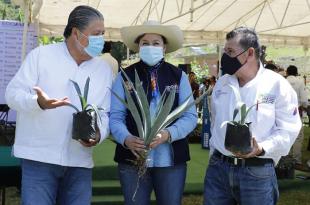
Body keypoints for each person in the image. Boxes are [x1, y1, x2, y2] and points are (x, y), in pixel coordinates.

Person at [5, 5, 112, 205]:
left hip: (80, 161)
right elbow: (12, 94)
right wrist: (37, 102)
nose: (101, 40)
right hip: (39, 159)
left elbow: (105, 113)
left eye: (102, 34)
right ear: (75, 33)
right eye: (96, 34)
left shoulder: (102, 69)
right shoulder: (41, 56)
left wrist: (98, 135)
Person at [204, 27, 301, 205]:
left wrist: (262, 147)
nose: (225, 57)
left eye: (230, 51)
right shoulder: (222, 83)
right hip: (218, 169)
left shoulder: (276, 85)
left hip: (257, 171)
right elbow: (215, 123)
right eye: (225, 51)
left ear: (249, 53)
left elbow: (289, 129)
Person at [109, 20, 197, 205]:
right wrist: (126, 138)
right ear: (138, 47)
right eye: (145, 43)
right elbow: (116, 117)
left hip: (171, 160)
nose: (151, 47)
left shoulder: (178, 76)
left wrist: (168, 134)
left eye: (156, 43)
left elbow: (190, 116)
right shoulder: (125, 76)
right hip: (132, 159)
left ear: (165, 47)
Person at [286, 65, 308, 165]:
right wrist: (306, 106)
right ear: (296, 73)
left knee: (285, 134)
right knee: (298, 136)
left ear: (287, 72)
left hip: (283, 112)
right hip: (296, 112)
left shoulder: (282, 81)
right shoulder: (299, 82)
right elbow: (304, 100)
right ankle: (296, 160)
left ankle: (284, 159)